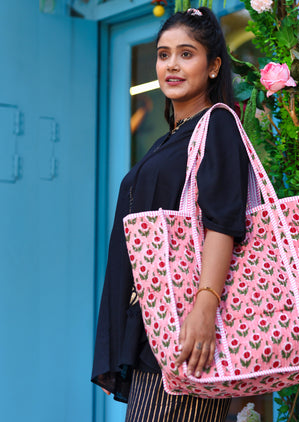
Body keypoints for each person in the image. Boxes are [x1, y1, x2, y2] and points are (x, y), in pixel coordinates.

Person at [91, 7, 249, 421]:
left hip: (186, 328)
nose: (171, 65)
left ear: (214, 66)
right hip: (157, 324)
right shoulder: (173, 138)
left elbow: (222, 223)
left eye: (186, 54)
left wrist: (204, 310)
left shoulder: (217, 126)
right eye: (163, 55)